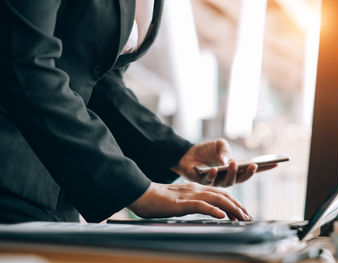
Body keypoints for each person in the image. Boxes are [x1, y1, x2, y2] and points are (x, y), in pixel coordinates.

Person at [0, 0, 275, 223]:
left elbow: (97, 79)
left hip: (56, 188)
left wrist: (174, 152)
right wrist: (135, 189)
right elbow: (23, 66)